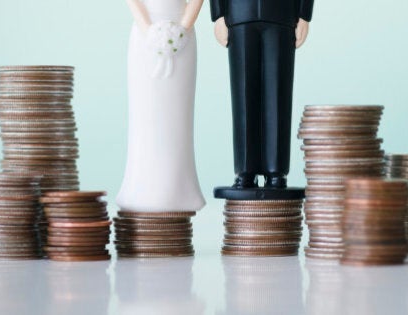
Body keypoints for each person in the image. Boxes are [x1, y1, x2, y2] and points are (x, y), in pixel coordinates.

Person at [210, 0, 314, 189]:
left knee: (278, 94)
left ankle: (276, 170)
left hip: (282, 14)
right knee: (243, 97)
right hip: (239, 13)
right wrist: (217, 14)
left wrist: (305, 14)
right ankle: (245, 169)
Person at [117, 0, 206, 212]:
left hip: (182, 38)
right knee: (145, 115)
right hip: (144, 37)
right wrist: (150, 32)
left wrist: (182, 29)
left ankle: (179, 191)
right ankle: (139, 189)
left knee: (177, 119)